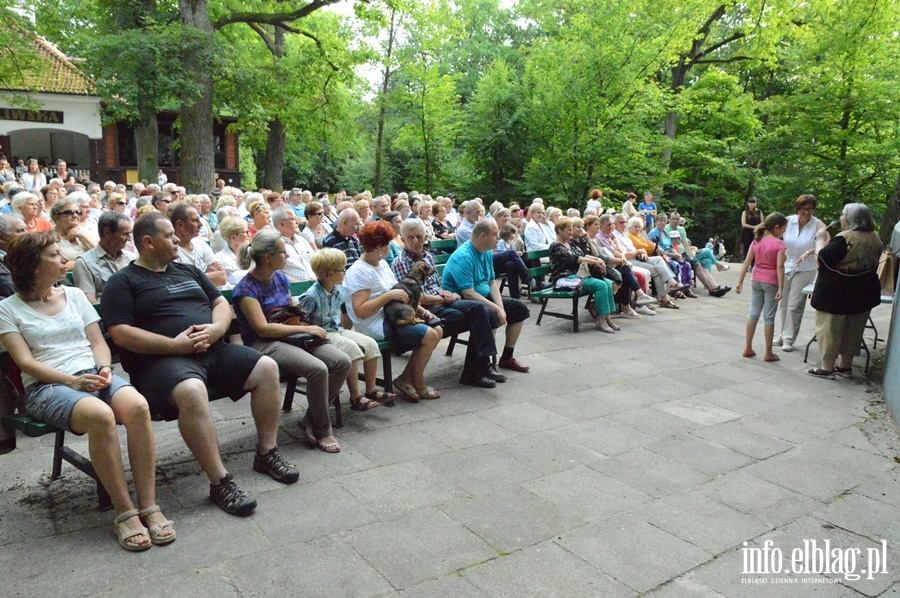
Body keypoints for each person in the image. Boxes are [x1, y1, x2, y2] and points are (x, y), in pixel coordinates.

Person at [102, 213, 299, 516]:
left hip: (213, 350)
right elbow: (121, 334)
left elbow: (220, 302)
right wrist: (174, 345)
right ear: (148, 242)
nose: (178, 240)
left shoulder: (188, 271)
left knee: (267, 368)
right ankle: (220, 481)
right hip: (161, 363)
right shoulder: (123, 282)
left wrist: (217, 329)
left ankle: (266, 453)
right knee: (193, 391)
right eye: (170, 235)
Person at [0, 231, 174, 550]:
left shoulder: (75, 295)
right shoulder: (8, 309)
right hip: (47, 387)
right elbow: (25, 362)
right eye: (54, 254)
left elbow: (97, 343)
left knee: (137, 406)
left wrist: (105, 369)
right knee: (100, 415)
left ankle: (149, 505)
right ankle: (125, 512)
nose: (64, 257)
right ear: (32, 266)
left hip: (93, 375)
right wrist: (72, 382)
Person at [233, 231, 351, 452]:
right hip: (263, 343)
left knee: (341, 361)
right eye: (282, 252)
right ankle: (323, 429)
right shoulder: (246, 289)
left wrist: (302, 327)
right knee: (318, 369)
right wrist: (303, 328)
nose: (287, 255)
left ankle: (310, 419)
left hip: (290, 335)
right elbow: (262, 329)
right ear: (267, 257)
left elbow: (289, 311)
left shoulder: (279, 277)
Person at [393, 218, 504, 388]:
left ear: (425, 237)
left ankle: (478, 369)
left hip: (441, 302)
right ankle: (479, 368)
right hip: (423, 309)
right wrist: (443, 297)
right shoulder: (402, 262)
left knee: (482, 312)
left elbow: (435, 286)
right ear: (402, 239)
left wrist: (446, 293)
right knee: (479, 312)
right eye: (410, 238)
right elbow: (413, 298)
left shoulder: (428, 256)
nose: (416, 241)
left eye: (419, 237)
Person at [344, 220, 443, 400]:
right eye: (388, 243)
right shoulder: (359, 271)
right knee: (429, 334)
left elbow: (403, 295)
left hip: (394, 313)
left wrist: (423, 312)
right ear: (379, 246)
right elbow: (360, 311)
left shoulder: (381, 264)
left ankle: (405, 378)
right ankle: (418, 383)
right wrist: (388, 297)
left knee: (438, 329)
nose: (390, 247)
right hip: (374, 324)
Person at [299, 248, 393, 409]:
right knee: (351, 348)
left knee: (370, 344)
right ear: (329, 274)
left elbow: (343, 316)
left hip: (336, 330)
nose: (344, 272)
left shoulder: (338, 291)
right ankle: (356, 396)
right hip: (322, 335)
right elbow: (300, 322)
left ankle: (370, 390)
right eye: (342, 270)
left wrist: (347, 332)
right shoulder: (311, 296)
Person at [442, 219, 531, 373]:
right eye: (495, 235)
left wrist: (501, 308)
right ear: (483, 236)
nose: (498, 238)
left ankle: (506, 358)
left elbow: (491, 283)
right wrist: (496, 309)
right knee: (489, 314)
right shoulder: (464, 256)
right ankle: (485, 362)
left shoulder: (486, 253)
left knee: (519, 308)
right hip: (460, 301)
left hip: (481, 297)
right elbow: (468, 293)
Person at [806, 203, 882, 379]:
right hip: (864, 291)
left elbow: (823, 260)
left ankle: (826, 368)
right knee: (854, 329)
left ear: (851, 219)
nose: (841, 218)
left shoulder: (844, 238)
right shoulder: (875, 238)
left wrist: (820, 240)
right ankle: (845, 367)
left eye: (843, 214)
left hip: (837, 293)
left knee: (830, 329)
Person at [773, 194, 826, 353]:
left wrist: (810, 252)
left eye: (811, 210)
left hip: (806, 268)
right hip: (786, 266)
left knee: (795, 304)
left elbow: (823, 244)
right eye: (804, 210)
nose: (807, 213)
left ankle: (789, 338)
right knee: (783, 302)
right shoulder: (788, 221)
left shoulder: (818, 225)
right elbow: (775, 237)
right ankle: (782, 334)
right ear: (798, 209)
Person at [550, 217, 619, 333]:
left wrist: (597, 259)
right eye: (568, 230)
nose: (571, 232)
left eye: (571, 229)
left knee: (607, 283)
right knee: (601, 285)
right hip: (563, 279)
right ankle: (600, 321)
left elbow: (583, 255)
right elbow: (575, 259)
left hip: (576, 276)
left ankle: (607, 317)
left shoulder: (568, 244)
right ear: (560, 230)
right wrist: (595, 261)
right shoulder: (556, 246)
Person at [735, 213, 787, 362]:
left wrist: (740, 282)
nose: (783, 233)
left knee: (753, 314)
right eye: (783, 230)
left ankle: (748, 348)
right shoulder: (779, 244)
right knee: (769, 317)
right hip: (771, 282)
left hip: (756, 280)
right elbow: (780, 267)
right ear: (776, 228)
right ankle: (768, 353)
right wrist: (781, 288)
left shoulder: (757, 241)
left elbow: (747, 262)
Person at [73, 211, 136, 303]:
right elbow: (89, 301)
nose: (129, 238)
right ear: (107, 232)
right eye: (125, 234)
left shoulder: (131, 258)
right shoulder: (84, 262)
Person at [170, 203, 227, 288]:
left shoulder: (202, 244)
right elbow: (183, 284)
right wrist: (207, 274)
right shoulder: (171, 251)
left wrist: (195, 278)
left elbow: (221, 278)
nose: (201, 224)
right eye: (195, 221)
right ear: (180, 224)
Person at [272, 207, 316, 281]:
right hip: (293, 288)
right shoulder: (274, 244)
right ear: (282, 224)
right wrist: (298, 283)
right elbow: (273, 273)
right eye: (292, 219)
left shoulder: (302, 240)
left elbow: (315, 261)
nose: (298, 222)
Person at [50, 198, 96, 267]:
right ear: (57, 218)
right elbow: (56, 265)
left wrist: (81, 235)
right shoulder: (50, 239)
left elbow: (100, 255)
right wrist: (89, 263)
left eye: (77, 212)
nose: (75, 216)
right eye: (69, 213)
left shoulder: (84, 232)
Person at [213, 216, 250, 288]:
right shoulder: (219, 259)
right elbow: (222, 287)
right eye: (246, 232)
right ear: (233, 237)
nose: (249, 235)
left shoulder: (253, 254)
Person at [0, 214, 27, 297]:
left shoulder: (32, 254)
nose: (26, 234)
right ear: (1, 237)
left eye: (26, 229)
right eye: (20, 231)